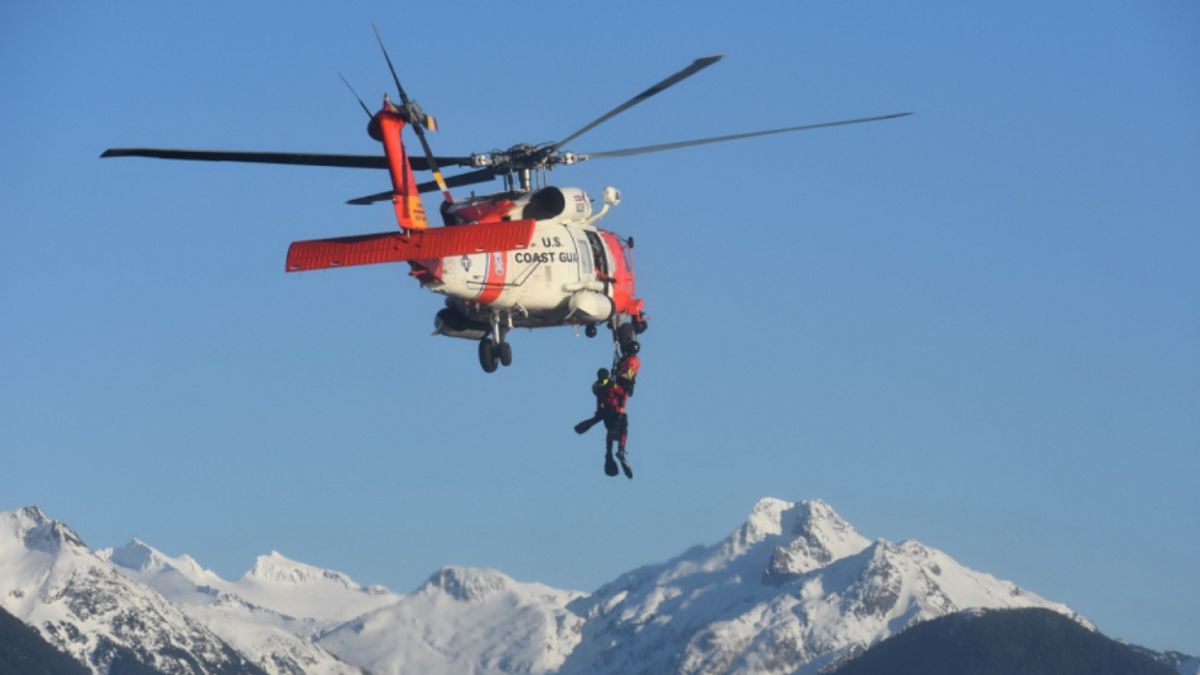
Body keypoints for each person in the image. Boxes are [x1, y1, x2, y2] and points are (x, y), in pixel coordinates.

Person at [600, 379, 632, 479]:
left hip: (608, 416)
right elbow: (623, 394)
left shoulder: (600, 389)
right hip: (616, 414)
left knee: (611, 431)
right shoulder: (611, 387)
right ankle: (620, 450)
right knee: (623, 431)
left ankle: (610, 451)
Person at [573, 368, 611, 435]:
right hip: (605, 407)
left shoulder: (599, 384)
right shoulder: (600, 384)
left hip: (605, 407)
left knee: (595, 420)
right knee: (596, 420)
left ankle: (579, 428)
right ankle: (579, 428)